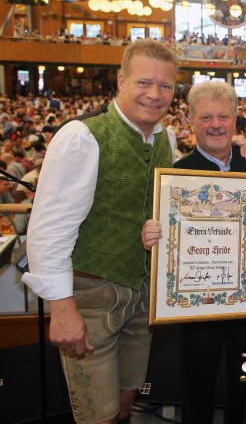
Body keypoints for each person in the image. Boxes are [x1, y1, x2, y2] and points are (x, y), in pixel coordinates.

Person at [23, 39, 179, 424]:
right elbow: (50, 227)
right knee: (98, 416)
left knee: (126, 406)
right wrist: (61, 308)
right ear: (121, 81)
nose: (154, 94)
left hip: (141, 298)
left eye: (165, 86)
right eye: (144, 83)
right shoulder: (82, 136)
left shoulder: (165, 138)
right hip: (92, 296)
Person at [141, 81, 246, 424]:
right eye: (206, 117)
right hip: (199, 304)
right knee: (196, 387)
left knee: (244, 387)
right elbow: (165, 237)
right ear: (191, 122)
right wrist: (153, 233)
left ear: (236, 120)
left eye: (223, 116)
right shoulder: (177, 174)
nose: (216, 124)